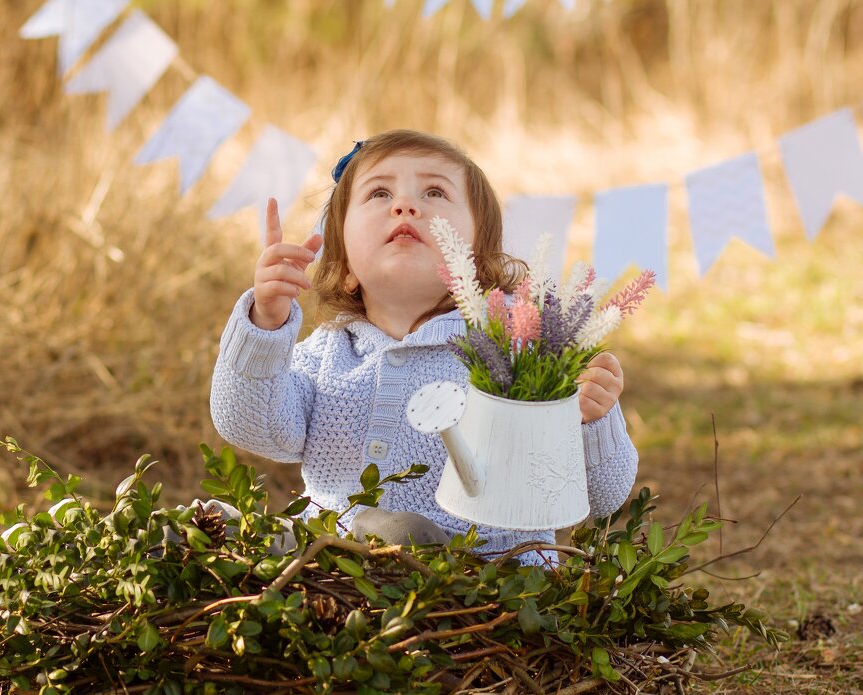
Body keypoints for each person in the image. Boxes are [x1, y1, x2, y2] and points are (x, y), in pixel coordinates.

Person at [209, 130, 637, 560]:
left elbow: (604, 497)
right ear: (345, 269)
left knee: (402, 534)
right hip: (330, 569)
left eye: (434, 191)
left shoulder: (518, 350)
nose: (405, 205)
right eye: (379, 193)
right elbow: (247, 425)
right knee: (228, 527)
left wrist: (589, 421)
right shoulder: (326, 354)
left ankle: (405, 545)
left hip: (482, 577)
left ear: (479, 260)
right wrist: (265, 324)